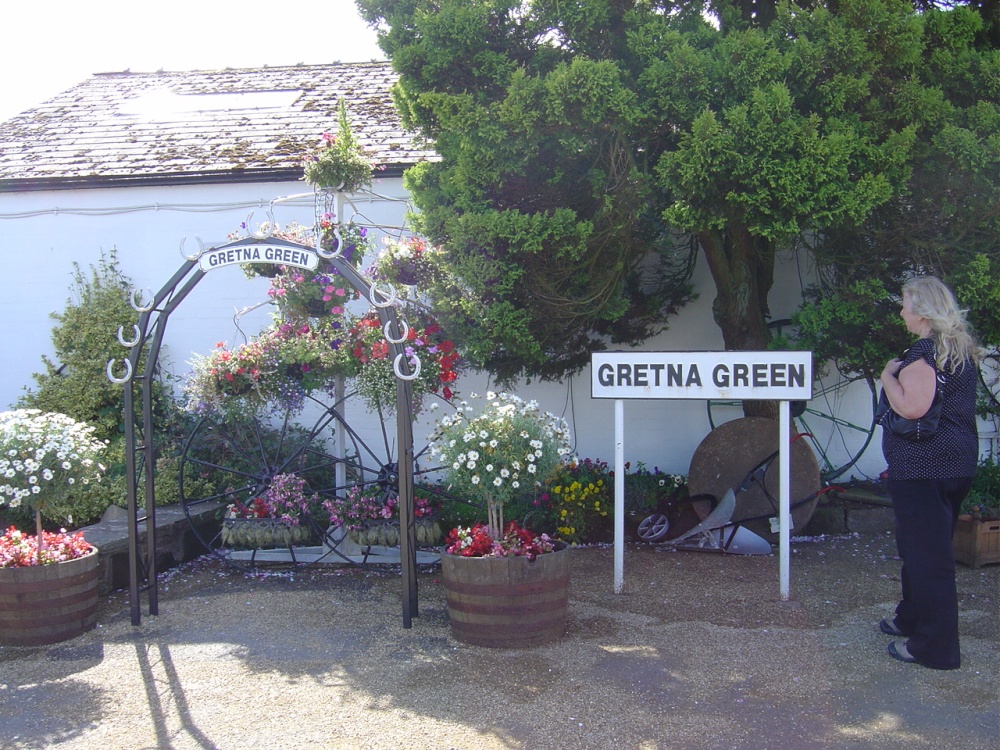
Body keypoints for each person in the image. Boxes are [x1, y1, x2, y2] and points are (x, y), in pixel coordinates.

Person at [878, 276, 980, 670]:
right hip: (955, 464)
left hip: (923, 468)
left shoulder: (922, 352)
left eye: (905, 304)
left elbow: (912, 409)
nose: (901, 312)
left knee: (927, 558)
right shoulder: (956, 349)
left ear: (920, 311)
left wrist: (888, 375)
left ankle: (934, 648)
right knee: (919, 549)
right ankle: (911, 617)